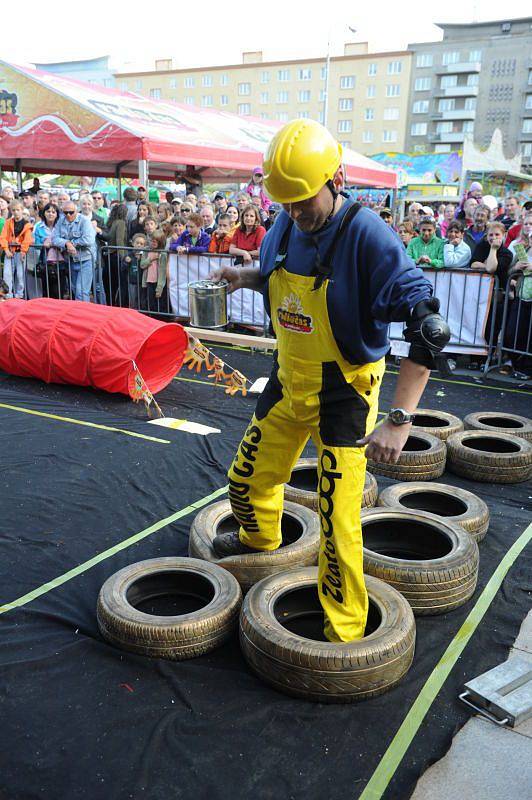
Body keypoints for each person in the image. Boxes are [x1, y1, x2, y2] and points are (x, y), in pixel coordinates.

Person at [209, 119, 448, 643]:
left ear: (335, 179)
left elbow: (429, 328)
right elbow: (273, 272)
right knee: (245, 482)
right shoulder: (286, 221)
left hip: (345, 389)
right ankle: (261, 543)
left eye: (303, 201)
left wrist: (400, 420)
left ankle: (344, 633)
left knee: (338, 517)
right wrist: (244, 277)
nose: (295, 213)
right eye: (286, 202)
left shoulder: (369, 237)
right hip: (288, 379)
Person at [504, 211, 532, 379]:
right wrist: (515, 269)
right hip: (521, 297)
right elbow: (508, 271)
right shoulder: (522, 248)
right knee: (512, 333)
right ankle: (517, 364)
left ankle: (527, 369)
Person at [52, 200, 96, 302]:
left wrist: (73, 244)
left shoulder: (84, 221)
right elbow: (55, 238)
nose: (68, 215)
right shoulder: (60, 221)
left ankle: (84, 315)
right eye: (65, 212)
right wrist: (67, 243)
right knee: (75, 290)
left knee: (82, 291)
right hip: (70, 260)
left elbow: (89, 239)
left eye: (71, 212)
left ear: (76, 211)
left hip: (85, 260)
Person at [0, 199, 33, 298]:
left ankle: (20, 294)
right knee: (7, 274)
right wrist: (6, 249)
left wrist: (23, 251)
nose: (16, 212)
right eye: (13, 210)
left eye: (18, 210)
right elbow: (3, 237)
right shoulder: (8, 222)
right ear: (11, 211)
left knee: (20, 275)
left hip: (20, 253)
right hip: (9, 252)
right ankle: (8, 295)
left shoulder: (27, 224)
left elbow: (28, 239)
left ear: (22, 210)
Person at [32, 203, 65, 299]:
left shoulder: (61, 226)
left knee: (59, 291)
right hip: (45, 263)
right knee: (47, 292)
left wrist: (54, 242)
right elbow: (36, 245)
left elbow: (65, 241)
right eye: (48, 211)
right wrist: (44, 243)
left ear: (57, 214)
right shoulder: (38, 226)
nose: (50, 214)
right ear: (44, 213)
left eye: (53, 212)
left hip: (60, 264)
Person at [99, 203, 129, 306]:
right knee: (118, 284)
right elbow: (119, 240)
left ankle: (110, 304)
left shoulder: (112, 222)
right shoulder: (121, 223)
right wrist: (123, 257)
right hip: (117, 256)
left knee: (110, 285)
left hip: (109, 256)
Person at [140, 230, 168, 313]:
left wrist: (159, 287)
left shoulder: (163, 254)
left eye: (155, 242)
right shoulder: (146, 250)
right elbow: (142, 265)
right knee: (150, 303)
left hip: (158, 282)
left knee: (159, 305)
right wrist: (150, 259)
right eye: (152, 241)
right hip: (148, 281)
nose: (153, 243)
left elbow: (163, 272)